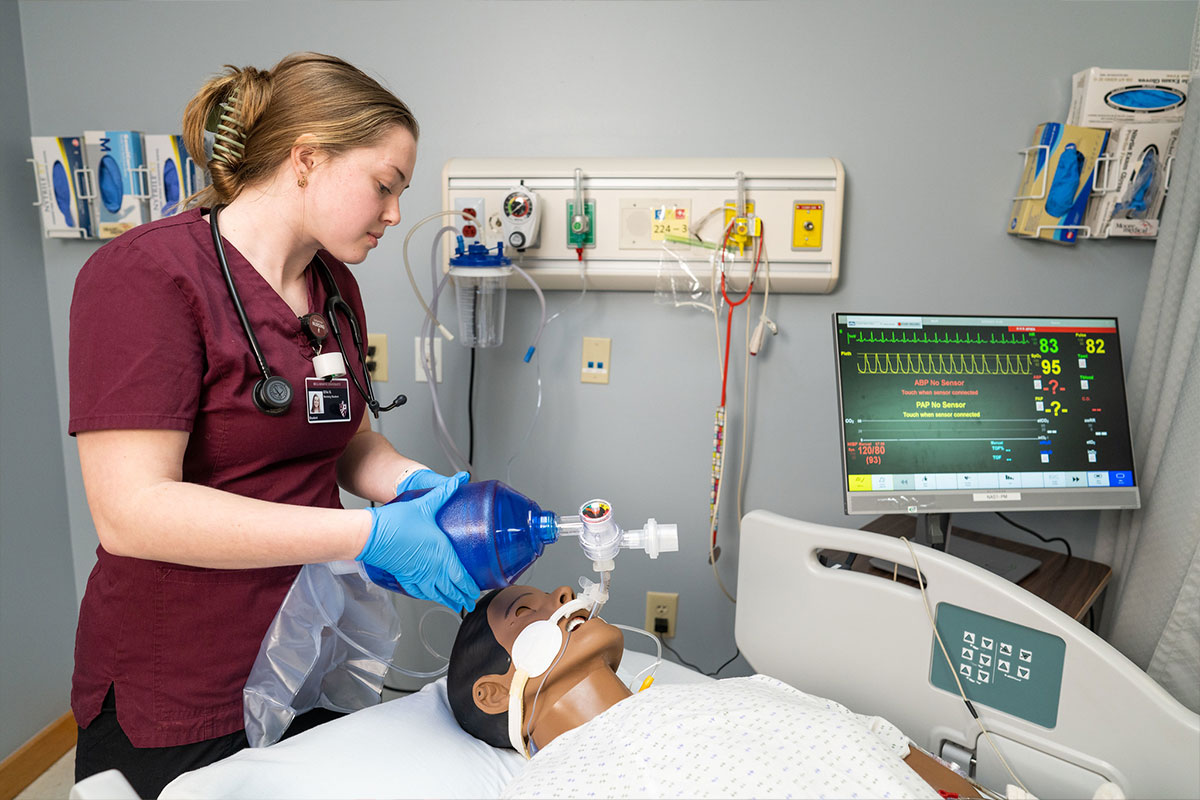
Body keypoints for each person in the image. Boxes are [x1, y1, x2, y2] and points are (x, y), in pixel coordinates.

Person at [68, 52, 480, 797]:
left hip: (304, 645)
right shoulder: (146, 277)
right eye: (384, 185)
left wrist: (411, 485)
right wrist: (368, 535)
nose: (395, 214)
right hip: (185, 674)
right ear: (307, 158)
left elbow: (344, 437)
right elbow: (130, 512)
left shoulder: (334, 285)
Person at [447, 584, 983, 799]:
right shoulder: (549, 789)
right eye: (524, 610)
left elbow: (884, 747)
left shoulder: (747, 691)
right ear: (494, 694)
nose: (565, 593)